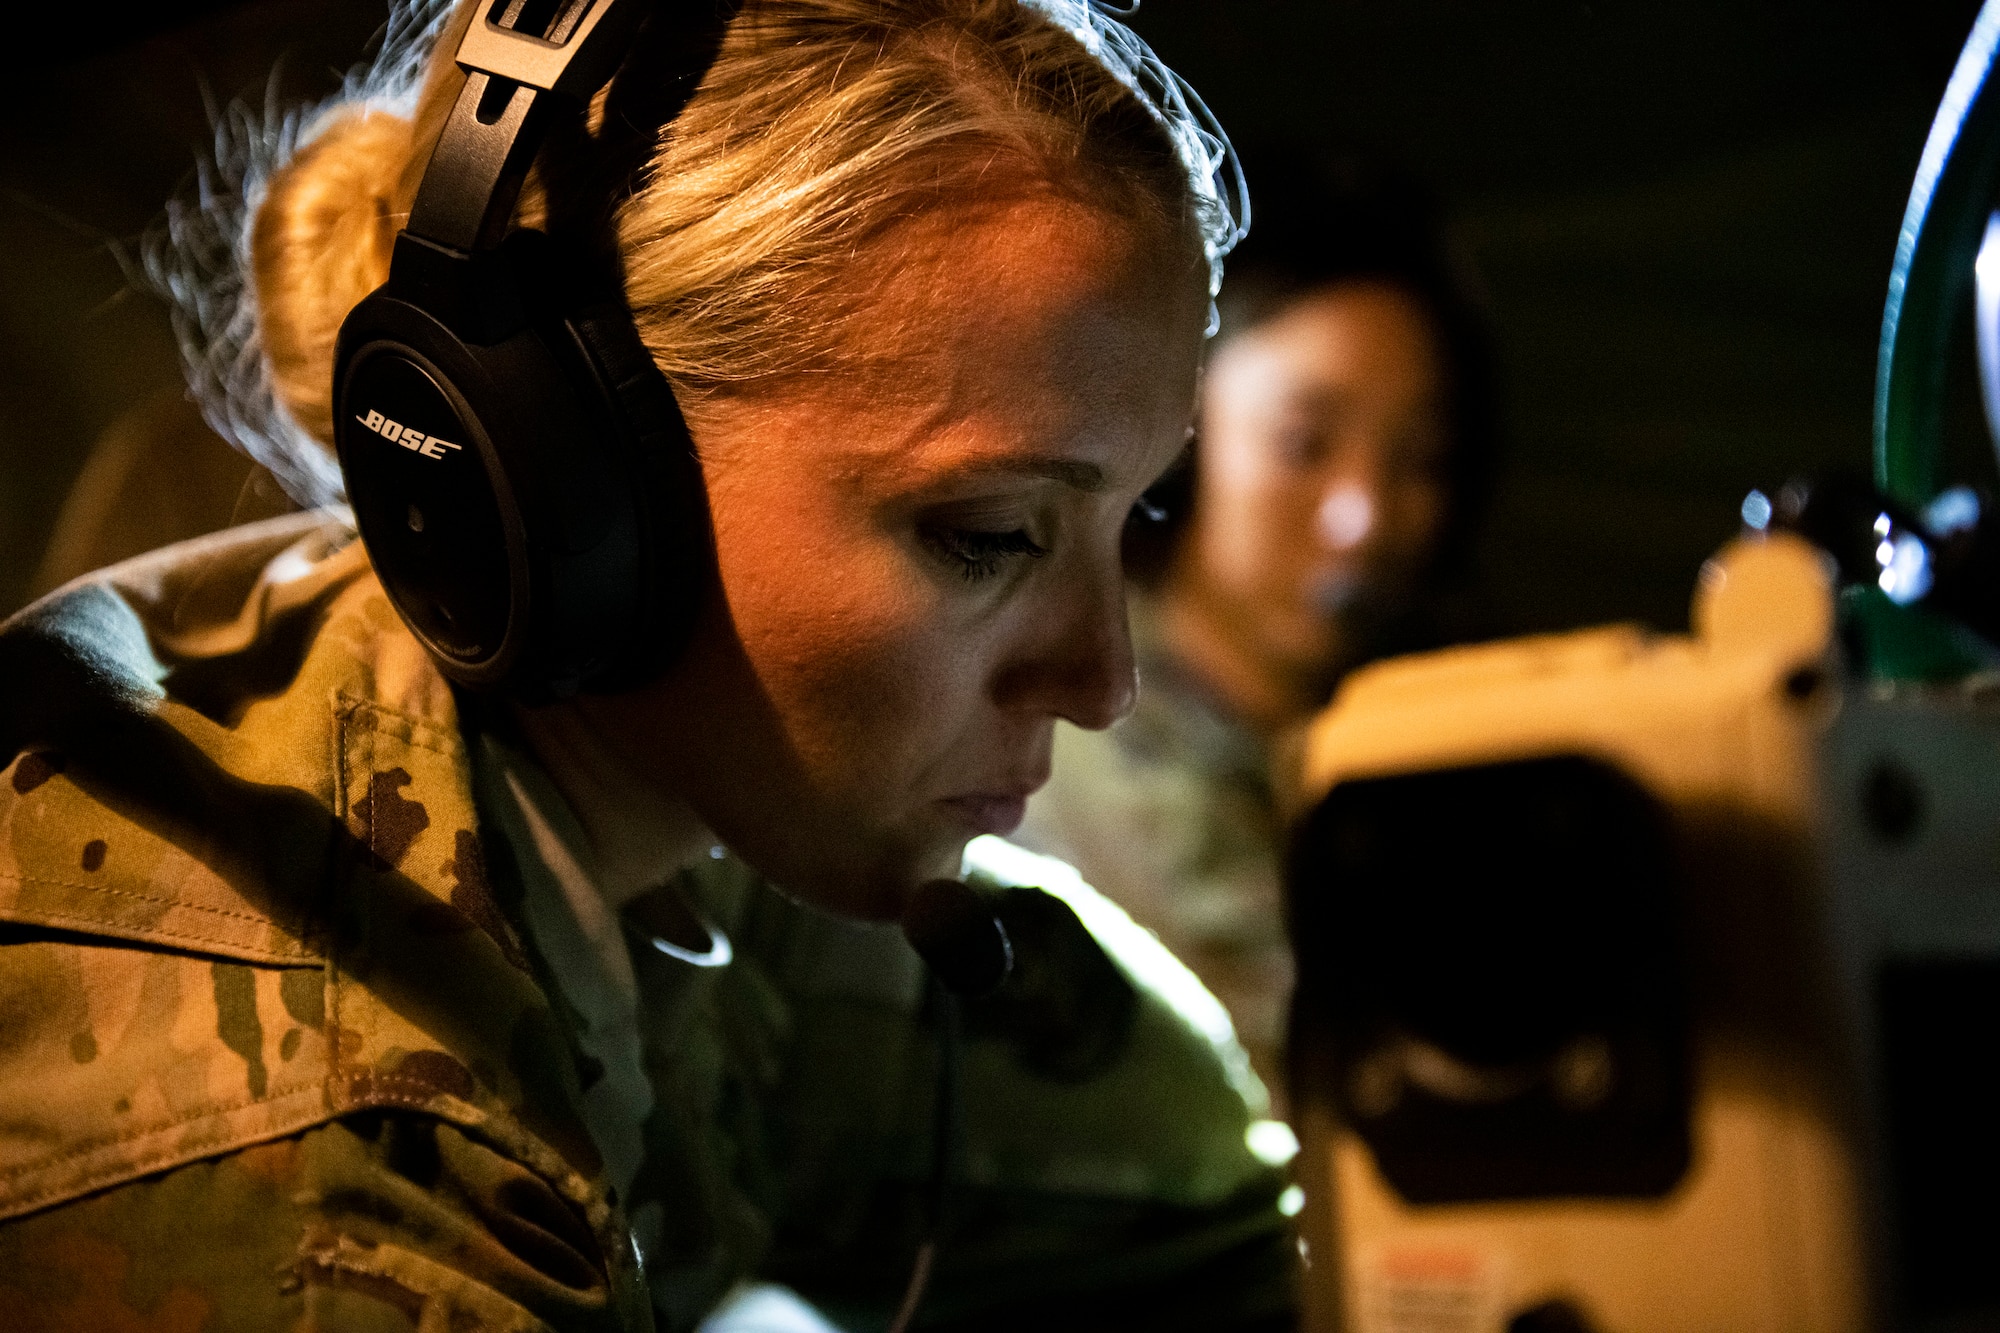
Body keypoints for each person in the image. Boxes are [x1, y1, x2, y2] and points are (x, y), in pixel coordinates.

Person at [0, 2, 1295, 1330]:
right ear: (575, 487)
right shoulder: (319, 1192)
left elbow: (1223, 1213)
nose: (1104, 679)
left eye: (1132, 513)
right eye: (990, 536)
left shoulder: (702, 802)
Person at [1016, 153, 1500, 1103]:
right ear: (1180, 432)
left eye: (1424, 460)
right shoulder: (1088, 742)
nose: (1366, 516)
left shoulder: (1409, 754)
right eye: (1303, 445)